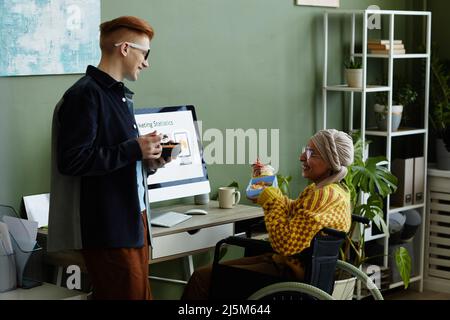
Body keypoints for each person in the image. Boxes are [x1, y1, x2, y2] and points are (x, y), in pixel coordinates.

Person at [47, 16, 167, 300]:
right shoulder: (85, 96)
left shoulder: (118, 96)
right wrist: (134, 149)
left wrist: (148, 160)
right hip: (110, 230)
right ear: (125, 48)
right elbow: (73, 160)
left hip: (132, 222)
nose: (146, 62)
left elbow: (117, 159)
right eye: (145, 53)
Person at [182, 129, 354, 300]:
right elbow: (292, 210)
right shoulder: (333, 191)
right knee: (209, 273)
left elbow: (286, 243)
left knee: (201, 278)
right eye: (305, 150)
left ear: (331, 161)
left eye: (312, 153)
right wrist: (268, 188)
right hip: (289, 265)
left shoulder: (323, 195)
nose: (302, 157)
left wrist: (271, 199)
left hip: (288, 273)